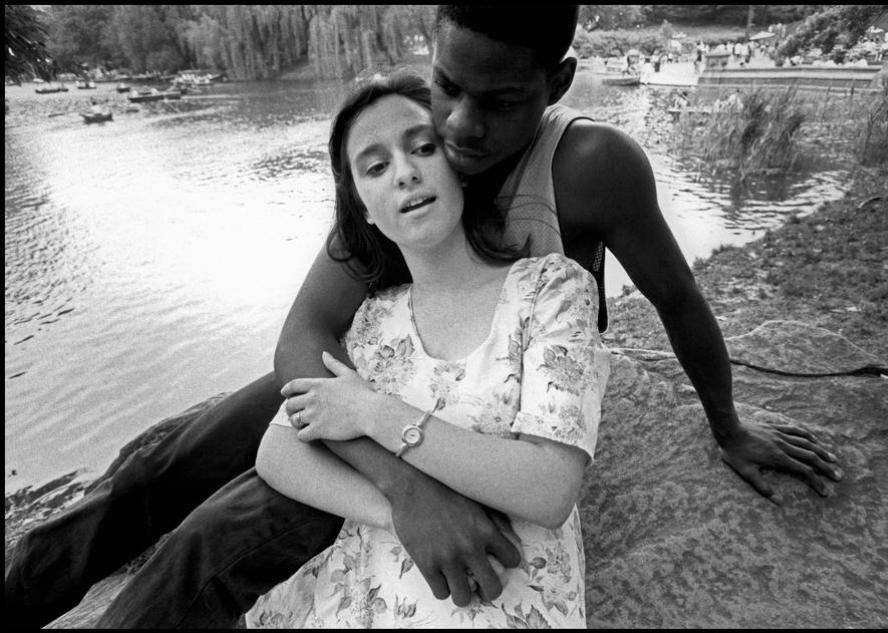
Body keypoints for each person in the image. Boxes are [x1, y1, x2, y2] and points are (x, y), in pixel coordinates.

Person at [5, 5, 842, 629]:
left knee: (222, 536)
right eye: (448, 87)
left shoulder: (588, 167)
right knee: (162, 467)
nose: (462, 126)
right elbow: (303, 336)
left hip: (480, 400)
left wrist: (726, 424)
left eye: (500, 101)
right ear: (431, 59)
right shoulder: (408, 145)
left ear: (554, 84)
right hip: (365, 377)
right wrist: (400, 483)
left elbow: (677, 298)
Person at [244, 71, 609, 628]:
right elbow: (278, 450)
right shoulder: (372, 318)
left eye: (422, 147)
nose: (405, 173)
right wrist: (402, 510)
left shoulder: (551, 289)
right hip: (367, 597)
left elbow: (549, 487)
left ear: (458, 161)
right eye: (376, 166)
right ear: (363, 207)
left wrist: (374, 411)